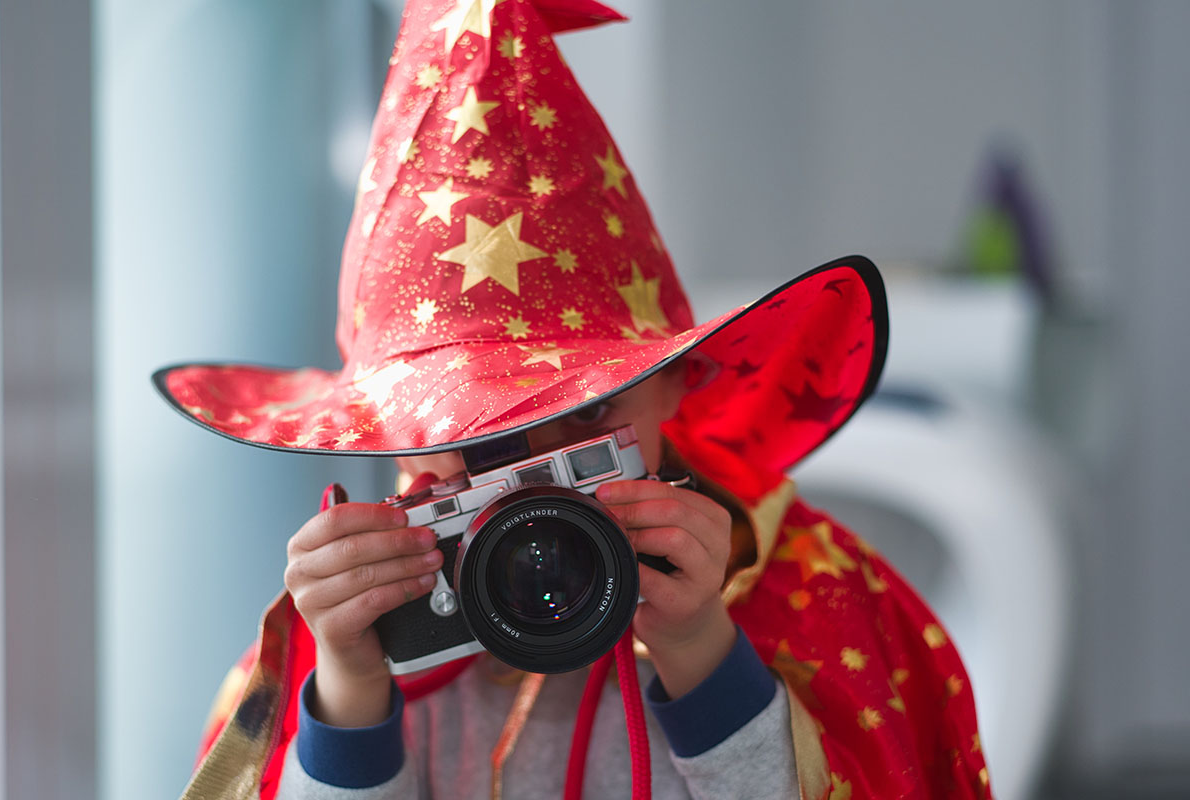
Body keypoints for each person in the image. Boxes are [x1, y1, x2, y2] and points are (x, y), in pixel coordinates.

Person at [155, 1, 992, 797]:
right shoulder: (362, 622)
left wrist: (702, 649)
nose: (534, 480)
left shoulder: (808, 591)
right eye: (471, 434)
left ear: (676, 382)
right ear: (389, 439)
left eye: (590, 416)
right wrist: (347, 691)